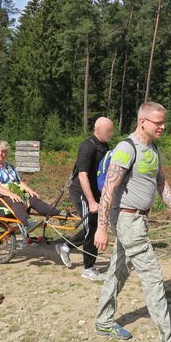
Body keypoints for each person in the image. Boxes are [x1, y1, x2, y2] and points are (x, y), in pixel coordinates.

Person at [94, 101, 171, 342]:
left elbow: (161, 183)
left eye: (164, 122)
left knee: (118, 272)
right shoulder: (125, 148)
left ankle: (104, 321)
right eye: (158, 122)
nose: (163, 127)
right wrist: (101, 228)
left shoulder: (153, 149)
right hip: (128, 221)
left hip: (139, 220)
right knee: (153, 276)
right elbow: (108, 190)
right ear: (142, 121)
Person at [55, 117, 114, 280]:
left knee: (94, 225)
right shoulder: (87, 146)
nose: (112, 133)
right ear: (97, 129)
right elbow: (82, 175)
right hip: (81, 192)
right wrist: (91, 201)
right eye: (109, 130)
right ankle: (88, 268)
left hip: (96, 192)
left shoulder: (104, 146)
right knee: (92, 228)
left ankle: (65, 246)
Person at [0, 140, 62, 228]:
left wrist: (30, 191)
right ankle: (27, 222)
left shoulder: (9, 166)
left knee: (32, 198)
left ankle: (58, 214)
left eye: (3, 151)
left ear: (6, 152)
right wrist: (11, 194)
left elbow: (19, 182)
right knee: (16, 199)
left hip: (8, 194)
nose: (0, 154)